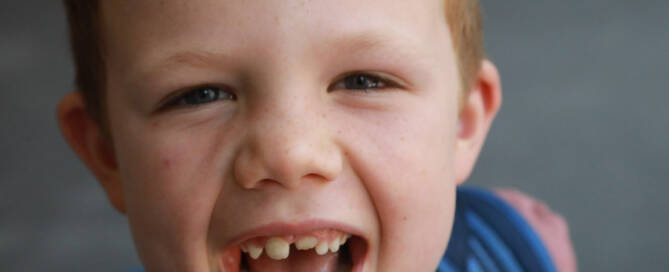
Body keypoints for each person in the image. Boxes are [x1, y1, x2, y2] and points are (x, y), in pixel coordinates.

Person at [56, 0, 575, 271]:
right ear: (106, 154)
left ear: (462, 123)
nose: (288, 154)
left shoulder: (517, 246)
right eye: (200, 95)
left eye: (363, 81)